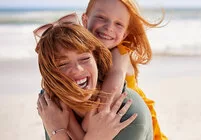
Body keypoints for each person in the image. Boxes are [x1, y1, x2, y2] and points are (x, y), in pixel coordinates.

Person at [34, 13, 153, 140]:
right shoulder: (53, 110)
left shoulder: (127, 114)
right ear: (50, 73)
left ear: (96, 59)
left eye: (85, 58)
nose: (77, 69)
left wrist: (58, 134)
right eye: (63, 64)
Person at [81, 0, 167, 139]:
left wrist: (88, 122)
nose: (109, 27)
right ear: (85, 20)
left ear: (125, 34)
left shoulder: (120, 53)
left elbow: (113, 87)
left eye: (118, 24)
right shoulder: (82, 52)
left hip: (140, 127)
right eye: (101, 17)